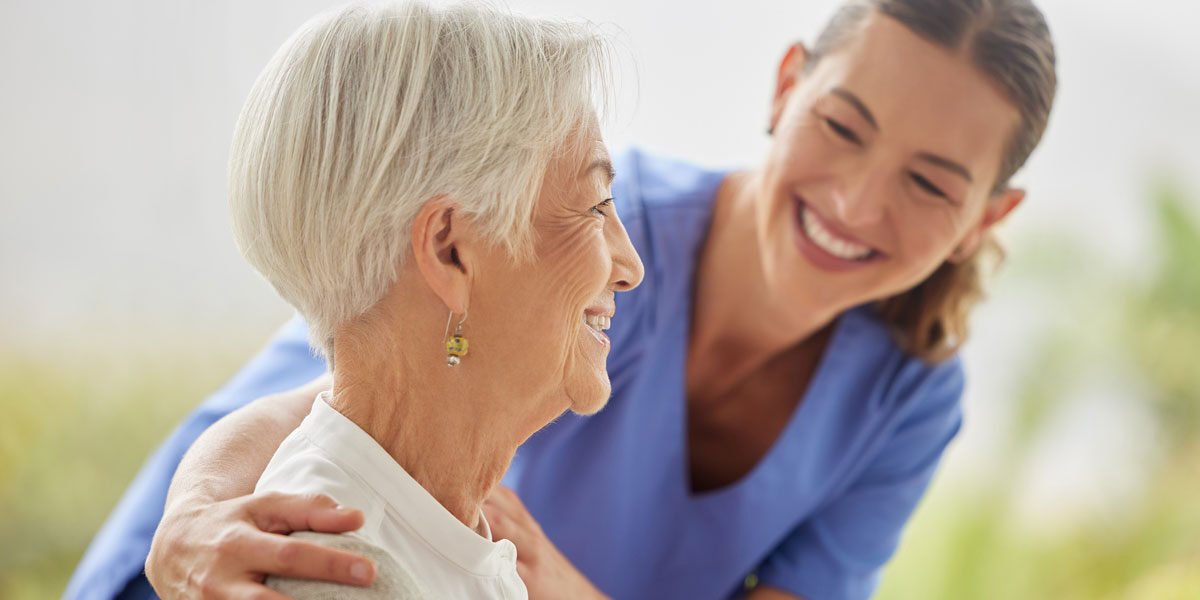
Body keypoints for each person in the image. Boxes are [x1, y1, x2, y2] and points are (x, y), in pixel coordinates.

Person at [67, 0, 1057, 598]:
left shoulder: (906, 398)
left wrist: (541, 586)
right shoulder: (570, 228)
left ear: (987, 216)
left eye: (929, 184)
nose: (856, 201)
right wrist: (193, 516)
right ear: (787, 86)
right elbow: (355, 366)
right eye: (843, 126)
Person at [71, 1, 643, 598]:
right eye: (595, 206)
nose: (631, 266)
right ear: (449, 250)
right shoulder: (343, 570)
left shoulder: (426, 523)